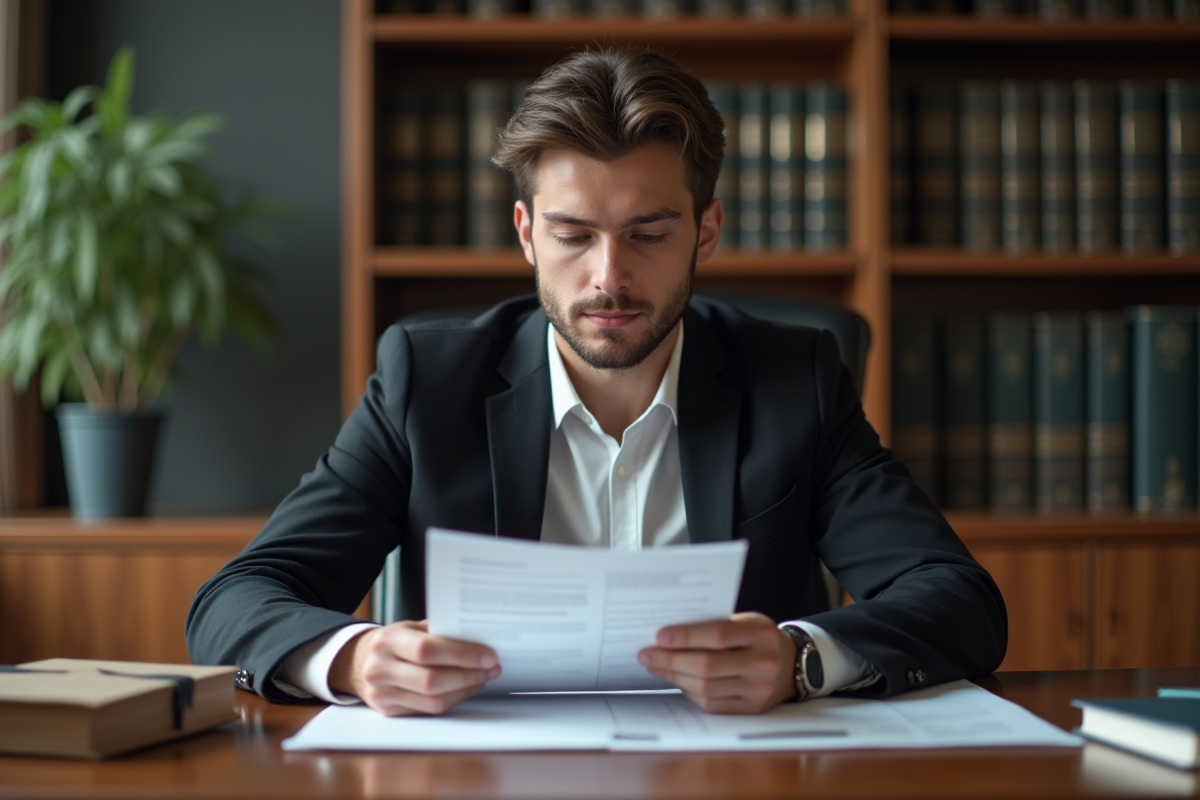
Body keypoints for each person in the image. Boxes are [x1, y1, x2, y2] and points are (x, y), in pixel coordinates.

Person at [186, 47, 1006, 717]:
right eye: (573, 235)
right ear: (526, 235)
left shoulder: (797, 380)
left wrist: (801, 658)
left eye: (647, 234)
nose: (607, 278)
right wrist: (358, 657)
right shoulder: (425, 381)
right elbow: (237, 599)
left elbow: (960, 601)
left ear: (706, 231)